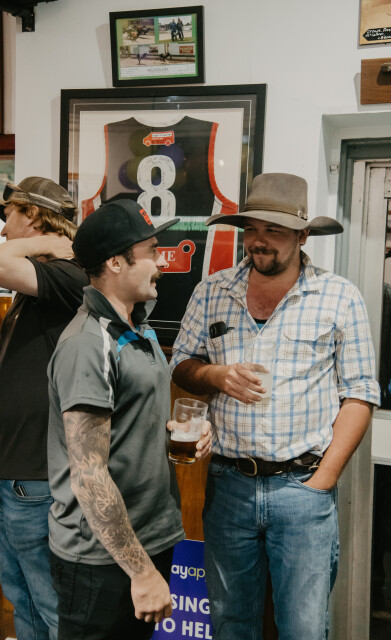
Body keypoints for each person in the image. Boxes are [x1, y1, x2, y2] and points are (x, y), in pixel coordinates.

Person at [171, 173, 381, 640]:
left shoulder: (339, 296)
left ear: (303, 236)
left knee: (303, 629)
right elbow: (181, 365)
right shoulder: (213, 290)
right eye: (251, 229)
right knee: (230, 624)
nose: (258, 241)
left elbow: (361, 393)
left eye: (274, 230)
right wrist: (216, 376)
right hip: (228, 486)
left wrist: (322, 481)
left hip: (302, 489)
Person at [47, 199, 211, 640]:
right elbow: (89, 475)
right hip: (102, 561)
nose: (162, 263)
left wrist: (176, 433)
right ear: (116, 262)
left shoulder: (139, 327)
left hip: (147, 539)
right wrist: (140, 572)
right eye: (151, 252)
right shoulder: (87, 345)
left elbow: (126, 422)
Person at [0, 177, 88, 640]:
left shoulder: (68, 274)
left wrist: (48, 243)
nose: (4, 229)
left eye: (8, 216)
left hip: (36, 476)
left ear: (32, 215)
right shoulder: (41, 277)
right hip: (13, 472)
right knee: (24, 600)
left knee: (51, 607)